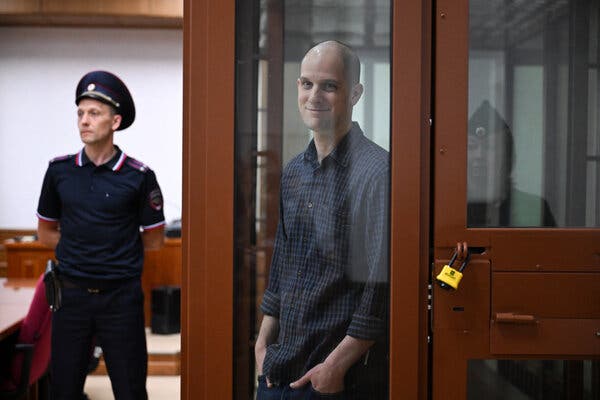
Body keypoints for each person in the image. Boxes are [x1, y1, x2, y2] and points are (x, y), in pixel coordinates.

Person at [255, 41, 389, 400]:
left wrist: (336, 366)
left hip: (332, 380)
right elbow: (283, 261)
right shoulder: (294, 172)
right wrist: (262, 343)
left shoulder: (378, 172)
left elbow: (381, 286)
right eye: (306, 84)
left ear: (355, 93)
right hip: (277, 371)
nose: (314, 96)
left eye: (329, 85)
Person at [36, 70, 166, 400]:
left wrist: (111, 251)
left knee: (130, 388)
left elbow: (155, 239)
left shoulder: (139, 176)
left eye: (94, 113)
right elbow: (45, 232)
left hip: (120, 298)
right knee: (63, 389)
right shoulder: (59, 171)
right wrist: (83, 249)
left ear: (116, 121)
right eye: (80, 113)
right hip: (71, 297)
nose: (84, 121)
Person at [467, 100, 556, 227]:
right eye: (471, 146)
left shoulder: (534, 209)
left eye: (489, 147)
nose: (479, 155)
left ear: (507, 158)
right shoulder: (449, 206)